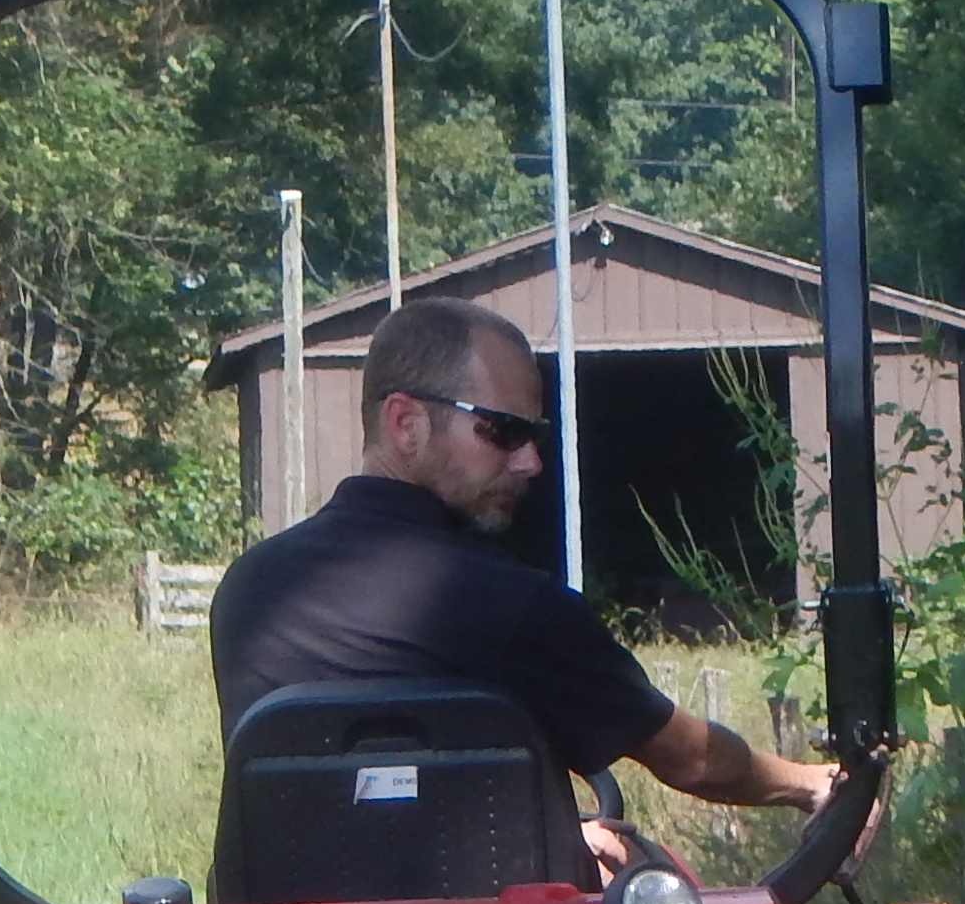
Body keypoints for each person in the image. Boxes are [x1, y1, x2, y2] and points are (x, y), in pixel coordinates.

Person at [209, 295, 846, 850]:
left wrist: (560, 837)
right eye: (503, 433)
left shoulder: (248, 590)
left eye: (534, 436)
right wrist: (806, 782)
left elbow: (342, 810)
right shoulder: (511, 605)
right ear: (405, 422)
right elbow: (692, 759)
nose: (530, 463)